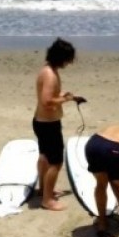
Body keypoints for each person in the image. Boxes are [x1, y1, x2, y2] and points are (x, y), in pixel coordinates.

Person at [33, 37, 80, 211]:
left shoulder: (46, 69)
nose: (68, 63)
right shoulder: (51, 75)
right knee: (56, 162)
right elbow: (46, 101)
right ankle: (47, 200)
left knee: (44, 156)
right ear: (61, 58)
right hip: (48, 124)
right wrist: (65, 99)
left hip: (41, 122)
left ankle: (43, 189)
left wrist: (63, 94)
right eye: (68, 60)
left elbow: (49, 93)